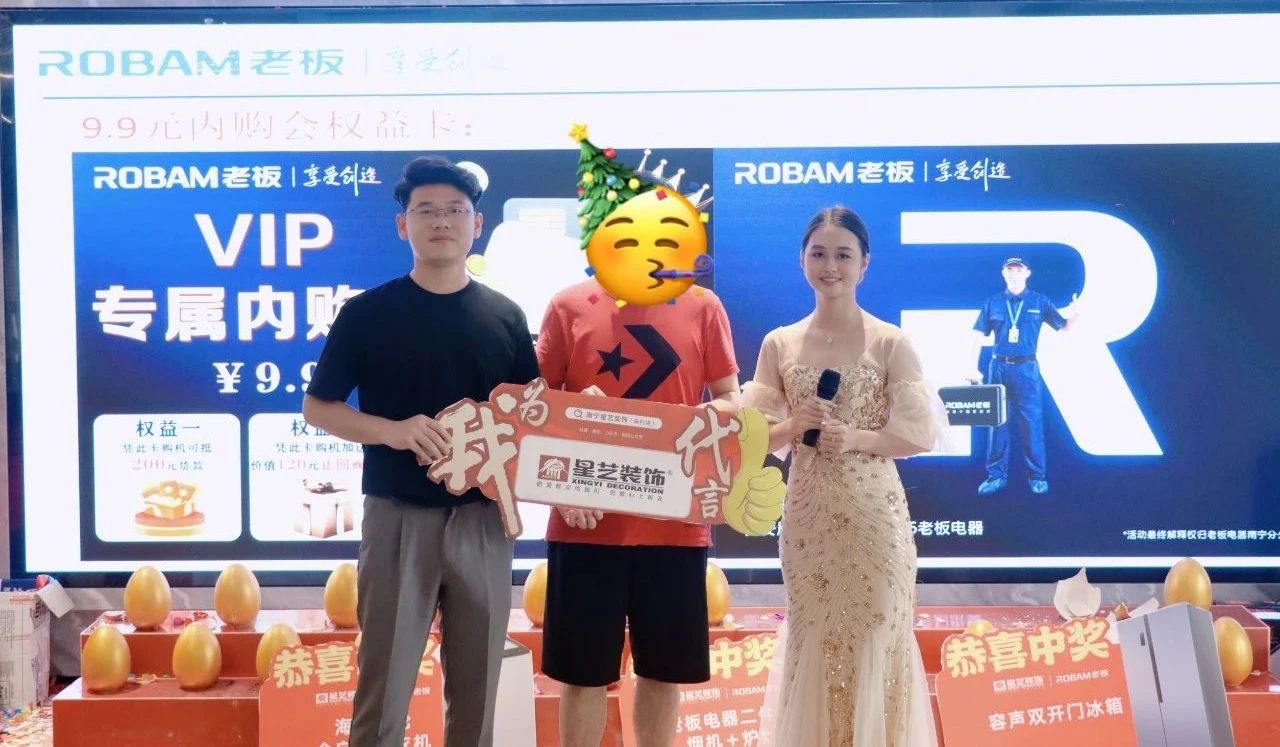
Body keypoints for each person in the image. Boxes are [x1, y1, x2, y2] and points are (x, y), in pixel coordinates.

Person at [303, 155, 539, 747]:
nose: (441, 222)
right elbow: (319, 408)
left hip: (484, 522)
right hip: (397, 519)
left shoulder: (505, 316)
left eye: (455, 211)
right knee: (382, 688)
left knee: (477, 693)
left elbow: (530, 420)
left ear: (476, 225)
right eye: (426, 211)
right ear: (402, 225)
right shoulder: (367, 313)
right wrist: (393, 430)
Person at [745, 206, 944, 747]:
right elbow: (751, 438)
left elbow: (918, 435)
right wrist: (795, 424)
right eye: (819, 254)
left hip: (874, 516)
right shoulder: (778, 343)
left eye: (843, 255)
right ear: (802, 260)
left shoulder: (891, 342)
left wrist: (856, 438)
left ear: (864, 264)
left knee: (878, 630)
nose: (830, 266)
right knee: (814, 635)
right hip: (808, 519)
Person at [536, 275, 741, 747]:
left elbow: (730, 397)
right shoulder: (568, 304)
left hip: (675, 522)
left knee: (663, 671)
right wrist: (562, 482)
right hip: (585, 522)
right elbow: (535, 407)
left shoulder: (702, 304)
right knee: (582, 674)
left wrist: (705, 420)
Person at [971, 257, 1078, 496]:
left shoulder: (1040, 301)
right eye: (1009, 269)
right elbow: (978, 334)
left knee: (1032, 423)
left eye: (1018, 269)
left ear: (1027, 273)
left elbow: (1064, 328)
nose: (1014, 273)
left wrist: (1076, 313)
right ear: (1003, 273)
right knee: (997, 423)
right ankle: (996, 476)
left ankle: (1037, 476)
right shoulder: (993, 302)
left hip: (1027, 369)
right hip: (998, 367)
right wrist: (972, 366)